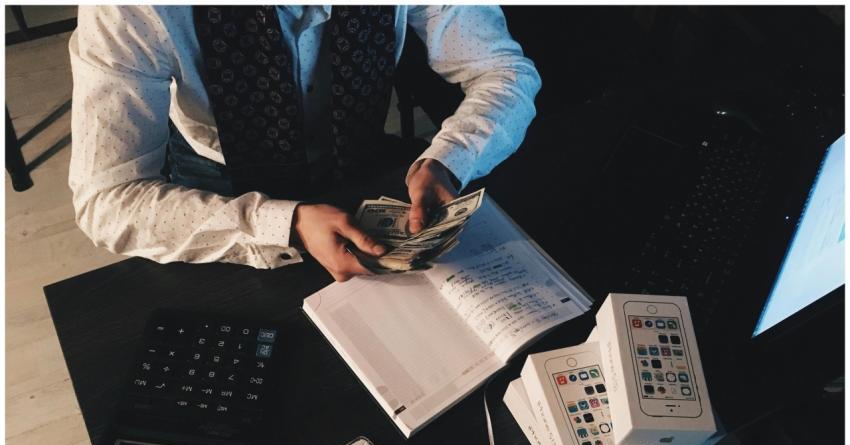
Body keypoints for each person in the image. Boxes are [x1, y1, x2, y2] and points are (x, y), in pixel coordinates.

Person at [68, 6, 541, 281]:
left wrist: (450, 158)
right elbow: (106, 201)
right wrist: (283, 223)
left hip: (364, 159)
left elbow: (504, 72)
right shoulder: (132, 9)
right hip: (221, 188)